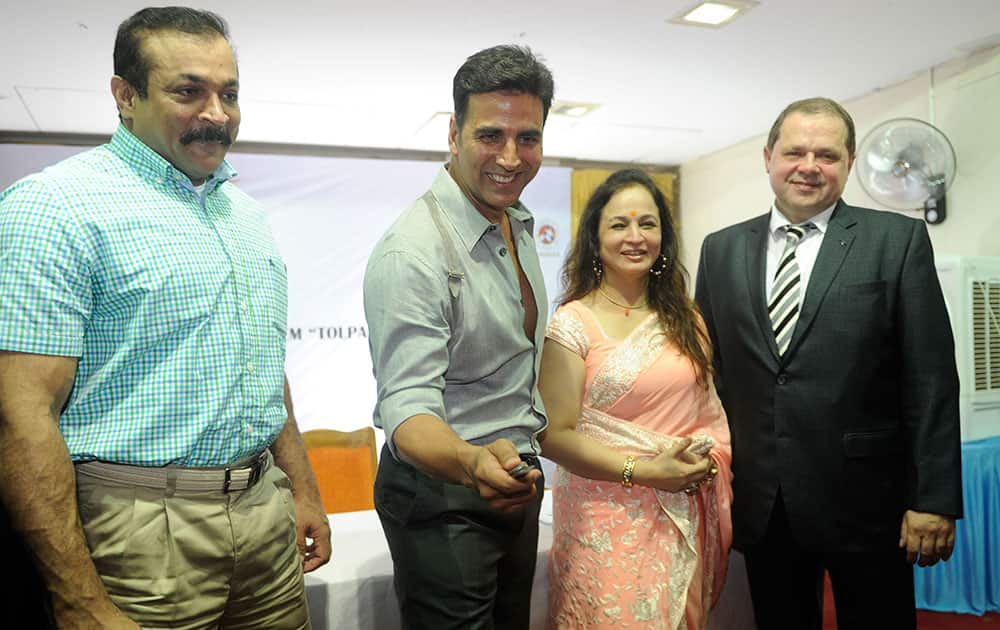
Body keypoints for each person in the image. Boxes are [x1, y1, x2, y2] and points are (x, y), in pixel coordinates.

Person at [0, 7, 330, 629]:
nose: (217, 113)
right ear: (126, 97)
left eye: (228, 93)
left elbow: (263, 369)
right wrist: (78, 599)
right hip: (139, 533)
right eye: (188, 91)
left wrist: (303, 489)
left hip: (266, 513)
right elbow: (21, 415)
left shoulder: (245, 215)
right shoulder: (53, 206)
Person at [694, 97, 962, 629]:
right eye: (795, 151)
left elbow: (930, 377)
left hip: (868, 503)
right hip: (764, 502)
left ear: (849, 161)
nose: (809, 166)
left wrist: (933, 497)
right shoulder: (720, 249)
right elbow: (711, 375)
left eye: (827, 154)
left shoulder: (897, 240)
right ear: (768, 156)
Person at [363, 45, 554, 629]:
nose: (510, 157)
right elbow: (407, 409)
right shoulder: (412, 253)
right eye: (490, 135)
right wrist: (473, 464)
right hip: (444, 498)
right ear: (453, 133)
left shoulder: (514, 220)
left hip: (513, 482)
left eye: (528, 138)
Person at [538, 168, 733, 629]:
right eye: (619, 224)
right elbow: (554, 436)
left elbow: (709, 417)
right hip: (600, 519)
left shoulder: (687, 319)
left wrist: (705, 462)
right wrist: (645, 471)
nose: (635, 236)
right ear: (595, 237)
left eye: (648, 224)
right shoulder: (572, 323)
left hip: (680, 512)